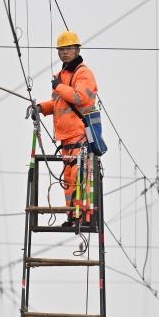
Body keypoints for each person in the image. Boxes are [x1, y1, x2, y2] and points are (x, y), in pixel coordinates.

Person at [37, 30, 99, 230]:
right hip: (65, 138)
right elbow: (59, 103)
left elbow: (81, 98)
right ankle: (73, 216)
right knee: (69, 180)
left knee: (80, 177)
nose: (64, 53)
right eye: (61, 50)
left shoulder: (83, 73)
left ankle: (84, 217)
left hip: (81, 135)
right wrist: (42, 108)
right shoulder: (61, 76)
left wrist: (59, 87)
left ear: (77, 49)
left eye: (68, 49)